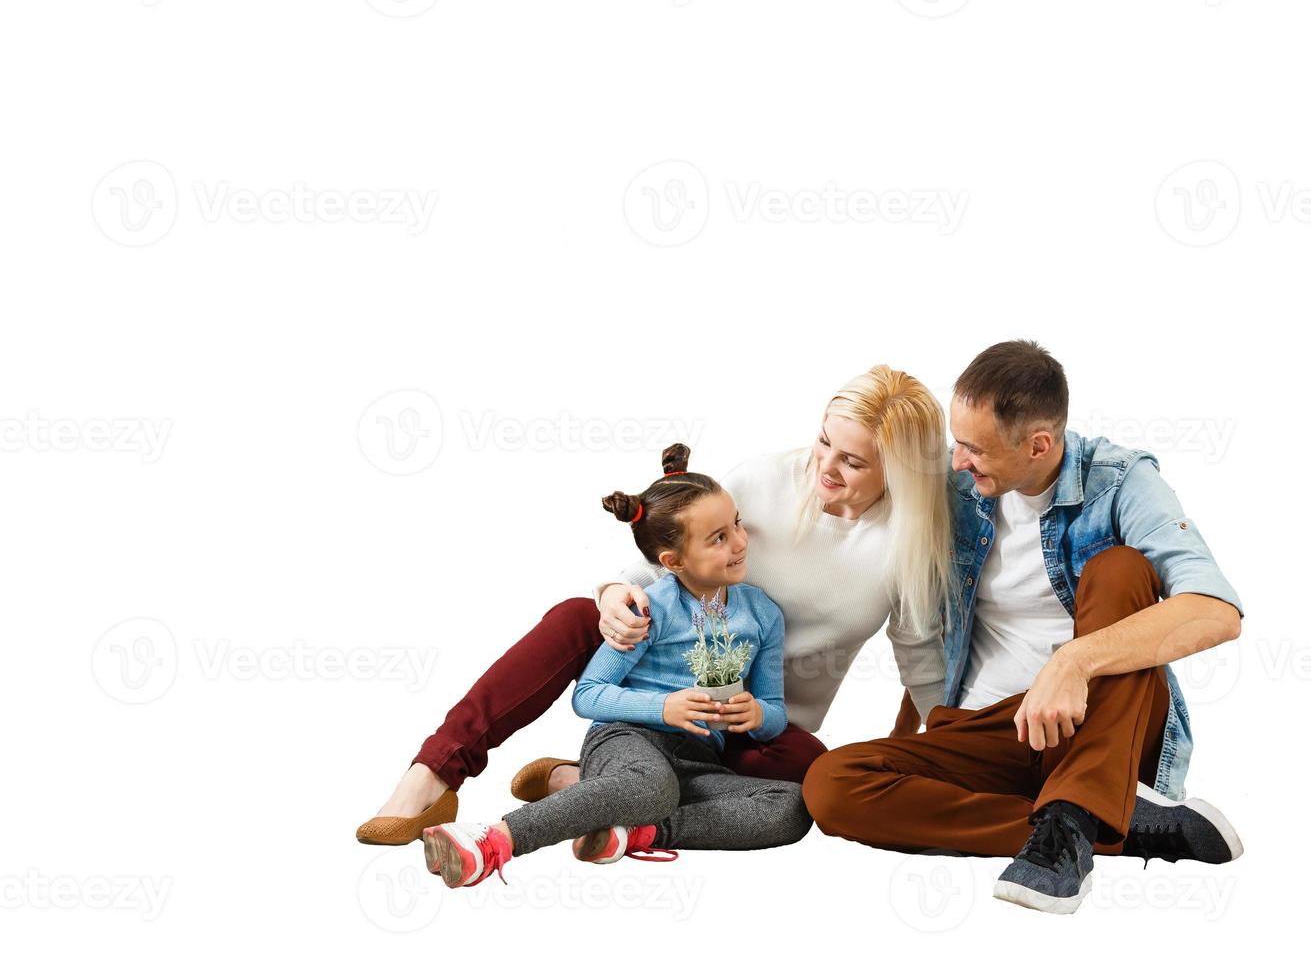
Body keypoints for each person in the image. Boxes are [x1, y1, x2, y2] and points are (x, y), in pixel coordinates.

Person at [355, 365, 952, 846]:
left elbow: (922, 661)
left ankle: (592, 788)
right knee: (571, 616)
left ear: (898, 470)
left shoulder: (907, 543)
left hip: (748, 721)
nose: (824, 466)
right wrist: (614, 592)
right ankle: (433, 774)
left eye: (853, 461)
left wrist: (965, 749)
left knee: (817, 787)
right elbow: (666, 551)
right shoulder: (763, 479)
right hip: (653, 674)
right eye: (824, 440)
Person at [801, 340, 1245, 916]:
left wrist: (1072, 663)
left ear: (1039, 445)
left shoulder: (1120, 482)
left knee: (1120, 570)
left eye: (973, 448)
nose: (956, 461)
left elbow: (1216, 610)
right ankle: (1097, 824)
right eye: (955, 442)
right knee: (832, 784)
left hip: (1099, 727)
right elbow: (855, 471)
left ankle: (1083, 801)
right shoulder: (958, 491)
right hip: (992, 730)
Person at [421, 445, 812, 888]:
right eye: (718, 538)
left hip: (699, 760)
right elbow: (589, 694)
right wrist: (664, 707)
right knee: (649, 786)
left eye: (737, 523)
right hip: (626, 738)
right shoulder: (649, 609)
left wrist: (758, 717)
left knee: (791, 807)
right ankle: (494, 840)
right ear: (673, 561)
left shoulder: (762, 615)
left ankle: (635, 831)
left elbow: (774, 708)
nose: (740, 541)